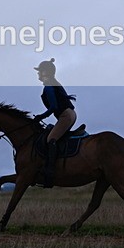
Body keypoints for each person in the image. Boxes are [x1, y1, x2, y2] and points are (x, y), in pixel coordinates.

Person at [32, 58, 76, 188]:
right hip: (68, 115)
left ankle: (50, 172)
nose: (38, 73)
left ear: (46, 72)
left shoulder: (49, 86)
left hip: (65, 116)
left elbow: (53, 107)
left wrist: (40, 117)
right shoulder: (52, 84)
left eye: (40, 71)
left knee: (51, 139)